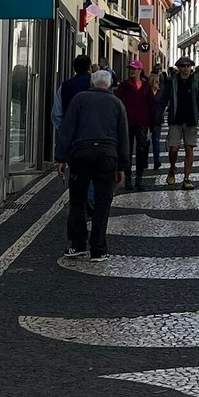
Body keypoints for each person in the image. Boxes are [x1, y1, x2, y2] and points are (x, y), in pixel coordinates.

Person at [56, 69, 129, 261]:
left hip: (81, 154)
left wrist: (61, 158)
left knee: (78, 201)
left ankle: (78, 244)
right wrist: (122, 166)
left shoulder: (79, 99)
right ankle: (98, 249)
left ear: (92, 82)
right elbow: (123, 136)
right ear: (109, 85)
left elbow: (67, 129)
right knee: (102, 203)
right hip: (107, 155)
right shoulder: (117, 103)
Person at [166, 55, 199, 189]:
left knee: (189, 148)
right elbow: (163, 99)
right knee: (174, 148)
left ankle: (186, 178)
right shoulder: (172, 81)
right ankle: (172, 168)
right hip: (175, 119)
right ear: (178, 68)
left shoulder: (196, 82)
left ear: (191, 67)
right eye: (183, 66)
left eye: (188, 66)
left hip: (191, 120)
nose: (186, 68)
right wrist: (157, 116)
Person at [115, 59, 156, 191]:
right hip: (127, 122)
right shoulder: (125, 85)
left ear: (139, 70)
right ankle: (127, 179)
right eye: (130, 68)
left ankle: (139, 179)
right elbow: (117, 101)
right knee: (126, 151)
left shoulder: (146, 86)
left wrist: (154, 122)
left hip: (142, 123)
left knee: (141, 151)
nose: (131, 71)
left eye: (134, 68)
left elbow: (152, 104)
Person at [150, 70, 167, 170]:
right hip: (147, 120)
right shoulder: (147, 92)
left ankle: (157, 161)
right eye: (157, 82)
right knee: (145, 142)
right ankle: (144, 161)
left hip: (158, 120)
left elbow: (165, 104)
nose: (158, 84)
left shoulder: (161, 92)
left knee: (156, 141)